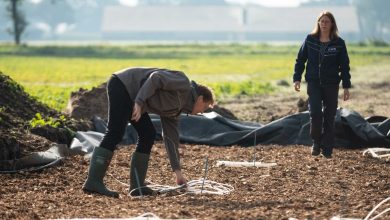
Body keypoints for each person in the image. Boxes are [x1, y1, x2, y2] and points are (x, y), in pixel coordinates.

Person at [82, 67, 215, 197]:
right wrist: (139, 103)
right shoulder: (182, 82)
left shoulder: (176, 111)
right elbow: (156, 78)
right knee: (115, 132)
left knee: (148, 134)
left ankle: (137, 186)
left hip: (135, 99)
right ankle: (93, 182)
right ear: (200, 99)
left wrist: (178, 173)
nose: (202, 112)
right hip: (123, 84)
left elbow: (171, 139)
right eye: (205, 107)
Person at [293, 11, 351, 158]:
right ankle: (316, 143)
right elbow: (300, 60)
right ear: (318, 23)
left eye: (327, 21)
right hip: (314, 83)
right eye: (322, 21)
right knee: (315, 114)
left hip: (331, 84)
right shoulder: (310, 39)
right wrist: (297, 78)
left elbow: (344, 66)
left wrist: (346, 86)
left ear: (332, 24)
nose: (324, 24)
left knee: (330, 116)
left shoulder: (339, 43)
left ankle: (328, 147)